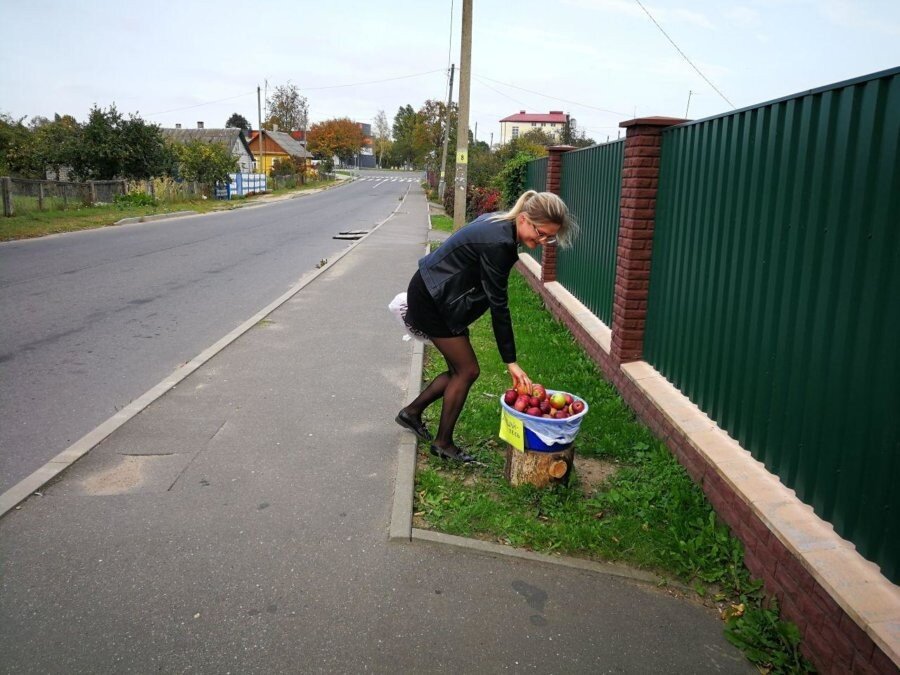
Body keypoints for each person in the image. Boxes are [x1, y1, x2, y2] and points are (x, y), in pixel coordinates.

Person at [395, 190, 578, 462]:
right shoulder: (499, 244)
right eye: (540, 233)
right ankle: (443, 443)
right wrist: (511, 361)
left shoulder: (504, 225)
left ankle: (411, 414)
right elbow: (499, 305)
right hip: (431, 299)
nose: (541, 241)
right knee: (467, 370)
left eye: (548, 237)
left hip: (436, 292)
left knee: (460, 369)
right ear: (525, 219)